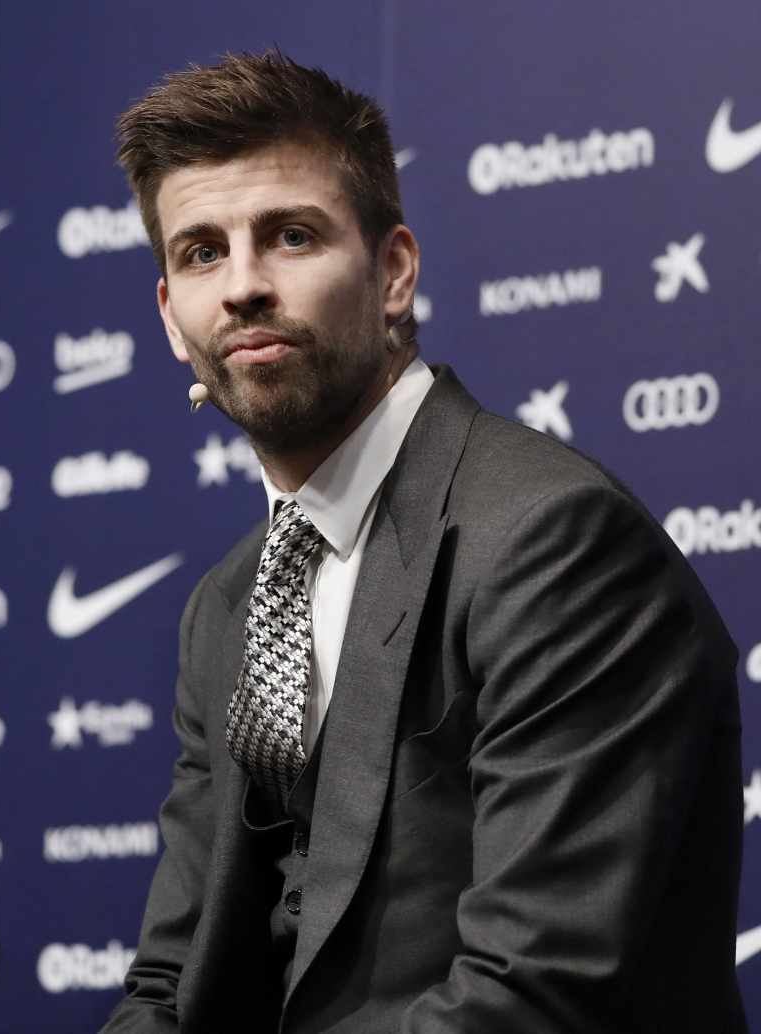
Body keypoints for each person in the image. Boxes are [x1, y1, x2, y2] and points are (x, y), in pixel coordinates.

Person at [101, 51, 743, 1033]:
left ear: (394, 270)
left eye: (291, 236)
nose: (243, 286)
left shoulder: (552, 540)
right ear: (172, 322)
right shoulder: (227, 605)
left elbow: (533, 992)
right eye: (201, 252)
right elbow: (171, 979)